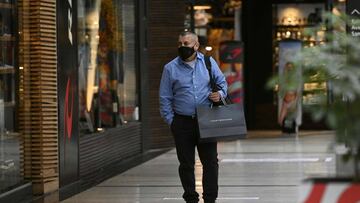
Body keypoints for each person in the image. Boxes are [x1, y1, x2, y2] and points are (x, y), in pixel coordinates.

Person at [159, 31, 228, 203]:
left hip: (207, 119)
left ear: (196, 46)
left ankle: (210, 199)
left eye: (187, 44)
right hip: (182, 122)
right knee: (186, 164)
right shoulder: (170, 68)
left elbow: (223, 84)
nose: (183, 47)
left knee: (211, 163)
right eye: (180, 43)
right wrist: (172, 121)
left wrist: (219, 94)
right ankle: (191, 198)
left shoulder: (208, 62)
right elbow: (165, 97)